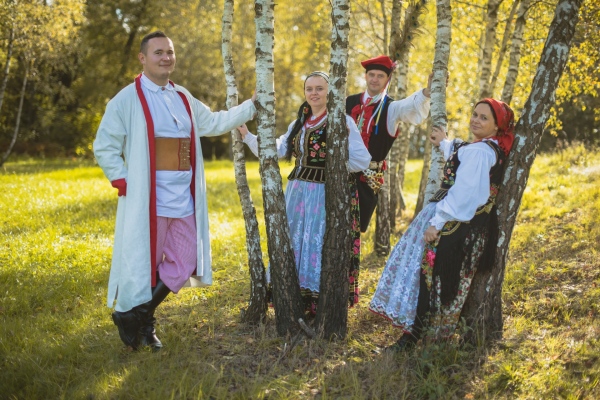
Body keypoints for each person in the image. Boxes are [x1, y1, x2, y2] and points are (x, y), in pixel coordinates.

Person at [93, 31, 257, 350]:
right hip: (149, 198)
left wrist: (252, 106)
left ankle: (135, 315)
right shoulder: (126, 99)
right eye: (158, 52)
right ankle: (145, 326)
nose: (166, 57)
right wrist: (122, 179)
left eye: (169, 52)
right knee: (146, 265)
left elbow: (213, 122)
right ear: (142, 58)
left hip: (183, 196)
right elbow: (105, 145)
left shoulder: (182, 96)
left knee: (185, 260)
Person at [369, 98, 515, 350]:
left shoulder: (480, 152)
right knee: (437, 280)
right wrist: (446, 142)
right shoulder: (485, 148)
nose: (475, 120)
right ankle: (423, 338)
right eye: (474, 114)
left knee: (432, 279)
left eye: (484, 118)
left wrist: (437, 223)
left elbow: (465, 194)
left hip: (454, 223)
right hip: (466, 224)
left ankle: (414, 339)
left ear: (496, 126)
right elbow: (462, 157)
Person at [239, 71, 371, 314]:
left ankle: (319, 302)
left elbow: (362, 159)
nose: (314, 93)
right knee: (295, 239)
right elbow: (278, 149)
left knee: (318, 240)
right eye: (309, 89)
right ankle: (295, 298)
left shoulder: (342, 121)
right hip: (298, 193)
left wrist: (333, 163)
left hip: (325, 194)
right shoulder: (300, 122)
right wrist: (247, 136)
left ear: (329, 92)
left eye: (319, 88)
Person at [346, 55, 431, 232]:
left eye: (380, 76)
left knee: (353, 227)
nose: (375, 79)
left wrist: (427, 92)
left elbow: (409, 105)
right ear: (365, 76)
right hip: (341, 173)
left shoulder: (391, 108)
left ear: (387, 79)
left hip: (367, 178)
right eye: (371, 74)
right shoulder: (349, 102)